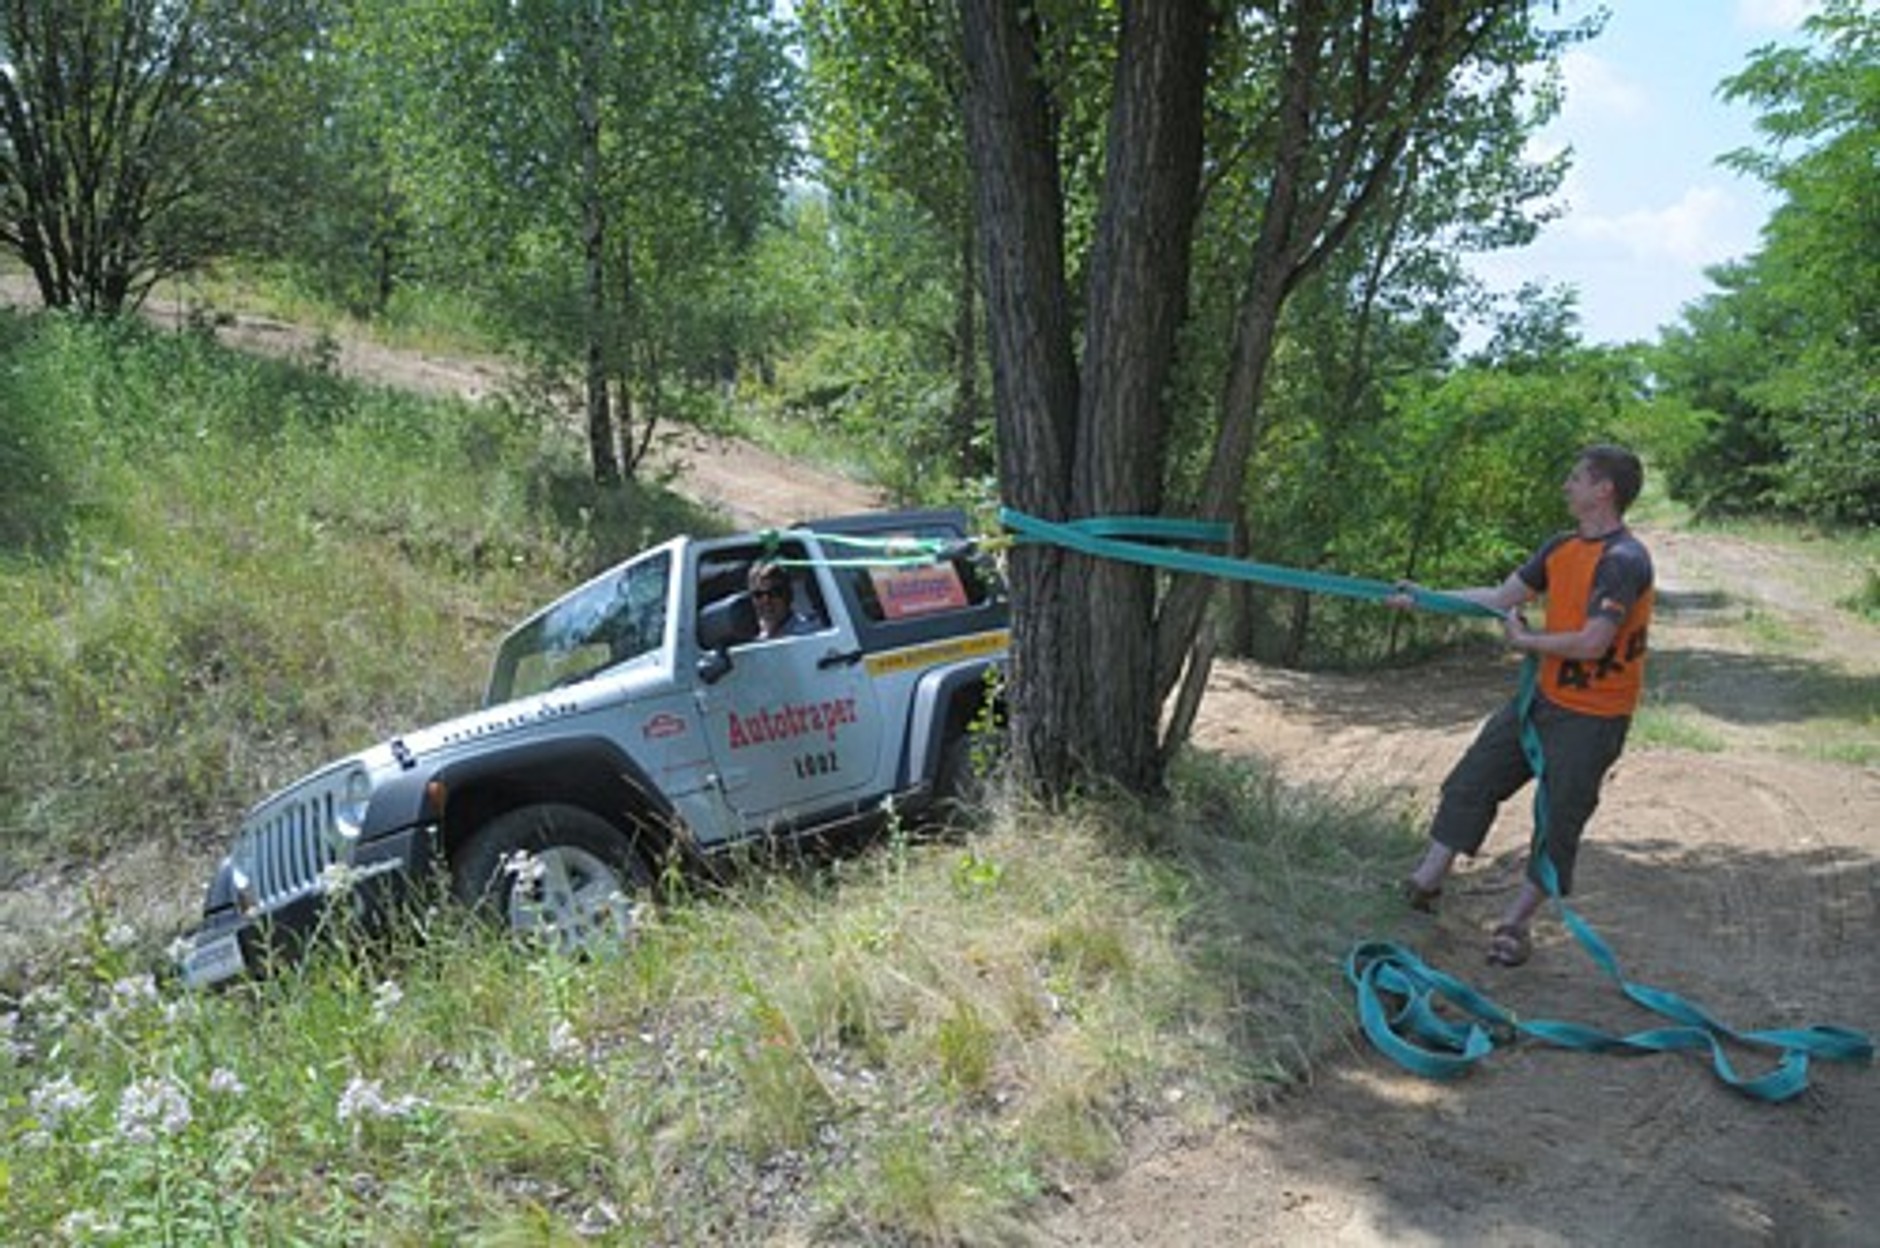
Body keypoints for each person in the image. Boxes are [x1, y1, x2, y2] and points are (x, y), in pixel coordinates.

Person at [1387, 445, 1654, 968]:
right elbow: (1500, 597)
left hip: (1594, 717)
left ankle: (1515, 924)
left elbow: (1594, 642)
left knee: (1558, 822)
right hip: (1541, 701)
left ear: (1604, 491)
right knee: (1471, 781)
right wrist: (1426, 597)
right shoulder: (1559, 548)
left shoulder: (1625, 560)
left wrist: (1527, 645)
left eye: (1576, 478)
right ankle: (1426, 883)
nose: (1566, 486)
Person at [748, 560, 822, 639]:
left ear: (788, 595)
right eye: (758, 595)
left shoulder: (808, 633)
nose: (766, 601)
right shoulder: (752, 640)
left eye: (774, 593)